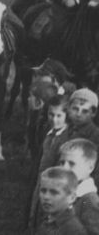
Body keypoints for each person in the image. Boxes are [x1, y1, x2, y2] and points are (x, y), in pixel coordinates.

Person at [28, 94, 73, 232]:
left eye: (59, 116)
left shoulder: (67, 138)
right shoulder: (48, 132)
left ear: (66, 115)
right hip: (41, 178)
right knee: (35, 209)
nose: (54, 119)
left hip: (56, 183)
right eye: (51, 114)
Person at [59, 138, 99, 235]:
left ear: (90, 167)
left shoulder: (89, 200)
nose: (64, 168)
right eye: (62, 162)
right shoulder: (65, 192)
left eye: (71, 164)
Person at [36, 167, 88, 235]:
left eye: (54, 192)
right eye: (43, 191)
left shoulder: (73, 230)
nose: (46, 197)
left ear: (72, 198)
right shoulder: (46, 221)